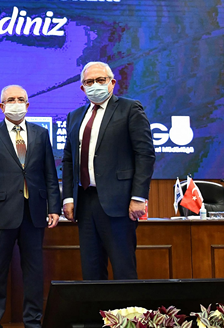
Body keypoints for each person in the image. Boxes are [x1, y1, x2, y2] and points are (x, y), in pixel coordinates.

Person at [0, 85, 61, 328]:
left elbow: (49, 174)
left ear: (28, 104)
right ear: (1, 107)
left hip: (34, 213)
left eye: (20, 99)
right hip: (0, 214)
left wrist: (54, 207)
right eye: (10, 100)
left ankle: (33, 326)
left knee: (34, 273)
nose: (16, 103)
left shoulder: (41, 134)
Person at [61, 61, 155, 280]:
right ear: (83, 88)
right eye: (89, 82)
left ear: (112, 83)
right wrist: (68, 198)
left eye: (100, 80)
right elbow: (68, 159)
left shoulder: (129, 109)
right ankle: (96, 305)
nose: (95, 85)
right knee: (91, 270)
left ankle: (127, 305)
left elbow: (145, 154)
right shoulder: (75, 116)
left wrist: (138, 197)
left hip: (119, 203)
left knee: (123, 269)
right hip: (85, 202)